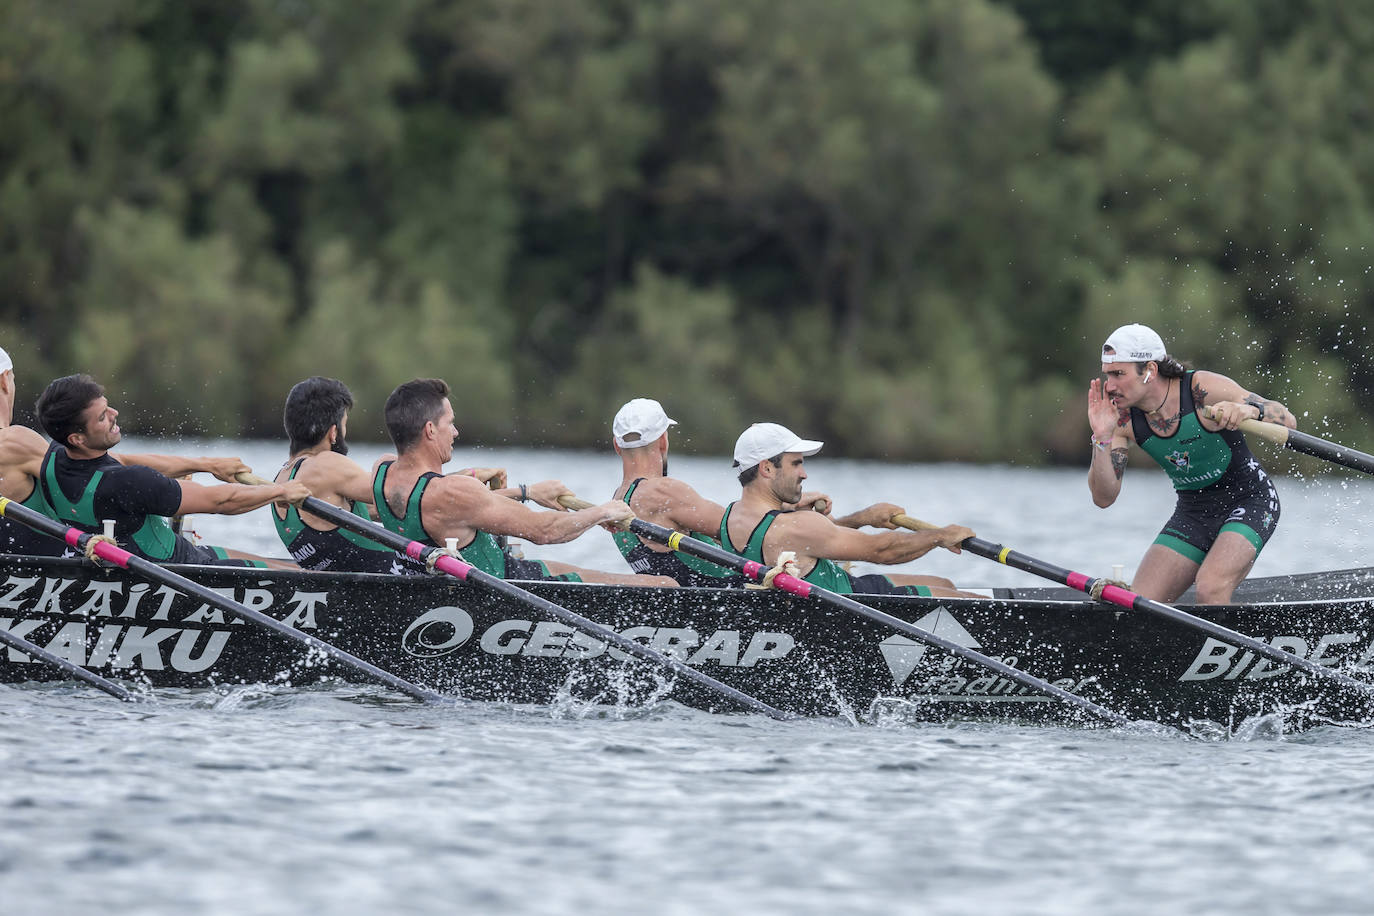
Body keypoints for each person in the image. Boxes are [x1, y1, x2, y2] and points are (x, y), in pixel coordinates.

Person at [374, 378, 675, 586]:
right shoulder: (453, 492)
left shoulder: (383, 473)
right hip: (510, 587)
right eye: (449, 423)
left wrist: (525, 492)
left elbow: (431, 498)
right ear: (429, 430)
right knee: (664, 585)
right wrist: (604, 512)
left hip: (487, 576)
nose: (455, 432)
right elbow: (545, 532)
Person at [1087, 323, 1294, 604]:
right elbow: (1103, 497)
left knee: (1209, 588)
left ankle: (1222, 645)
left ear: (1149, 370)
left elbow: (1287, 419)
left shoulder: (1200, 389)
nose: (1109, 386)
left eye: (1118, 374)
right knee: (1139, 605)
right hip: (1193, 513)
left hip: (1250, 501)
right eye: (1107, 375)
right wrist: (1101, 438)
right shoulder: (1122, 420)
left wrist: (1246, 410)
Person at [34, 374, 309, 568]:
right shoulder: (128, 483)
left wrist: (206, 465)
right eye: (103, 416)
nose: (114, 413)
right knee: (297, 575)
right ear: (77, 438)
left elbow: (126, 459)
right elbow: (220, 501)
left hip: (158, 563)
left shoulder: (53, 461)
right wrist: (281, 491)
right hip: (182, 570)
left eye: (108, 406)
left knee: (288, 568)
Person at [0, 350, 251, 558]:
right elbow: (107, 468)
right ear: (5, 380)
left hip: (40, 569)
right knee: (273, 567)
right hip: (71, 576)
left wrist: (201, 464)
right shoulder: (15, 443)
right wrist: (204, 464)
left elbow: (111, 467)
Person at [720, 422, 975, 597]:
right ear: (766, 468)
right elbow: (882, 551)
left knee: (945, 584)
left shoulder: (729, 516)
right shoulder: (794, 525)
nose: (804, 474)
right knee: (968, 600)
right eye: (796, 464)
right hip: (853, 606)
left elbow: (815, 542)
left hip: (842, 587)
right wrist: (941, 535)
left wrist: (862, 518)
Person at [609, 398, 742, 588]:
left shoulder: (617, 501)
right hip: (734, 600)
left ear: (616, 446)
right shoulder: (662, 492)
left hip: (685, 604)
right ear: (663, 441)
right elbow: (743, 529)